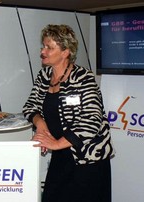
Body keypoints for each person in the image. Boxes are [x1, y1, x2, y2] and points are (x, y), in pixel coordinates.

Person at [23, 24, 115, 202]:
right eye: (43, 46)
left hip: (88, 160)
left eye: (49, 47)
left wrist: (56, 143)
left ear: (65, 52)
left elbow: (92, 120)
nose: (43, 51)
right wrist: (41, 127)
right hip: (61, 156)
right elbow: (30, 107)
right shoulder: (43, 76)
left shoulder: (83, 78)